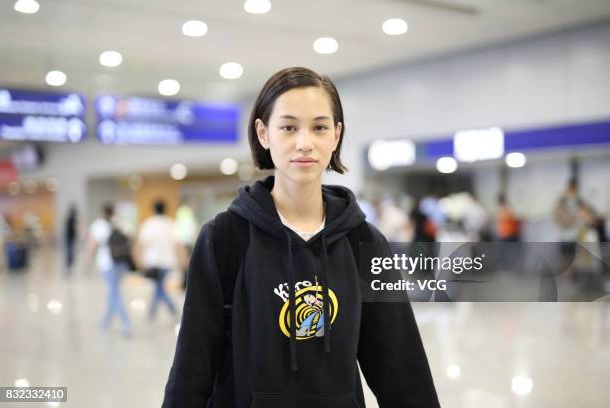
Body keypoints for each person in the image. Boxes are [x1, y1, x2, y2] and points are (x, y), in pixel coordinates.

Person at [162, 67, 440, 407]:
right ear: (264, 133)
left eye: (319, 127)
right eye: (288, 127)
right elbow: (192, 370)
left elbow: (402, 371)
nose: (304, 142)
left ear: (336, 135)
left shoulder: (364, 242)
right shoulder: (224, 239)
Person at [84, 203, 131, 336]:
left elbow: (91, 244)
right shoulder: (119, 222)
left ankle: (126, 322)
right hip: (122, 263)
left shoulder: (99, 224)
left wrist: (87, 260)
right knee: (113, 292)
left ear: (102, 212)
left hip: (107, 264)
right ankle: (106, 320)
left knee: (114, 293)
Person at [134, 200, 180, 321]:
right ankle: (152, 312)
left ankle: (171, 310)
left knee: (158, 287)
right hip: (168, 262)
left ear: (154, 209)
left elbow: (141, 244)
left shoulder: (149, 224)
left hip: (153, 262)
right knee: (159, 287)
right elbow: (176, 245)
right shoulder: (171, 224)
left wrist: (139, 262)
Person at [64, 205, 79, 276]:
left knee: (69, 252)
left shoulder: (69, 218)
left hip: (69, 238)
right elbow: (75, 228)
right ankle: (69, 266)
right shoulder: (72, 218)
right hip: (70, 238)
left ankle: (69, 266)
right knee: (70, 253)